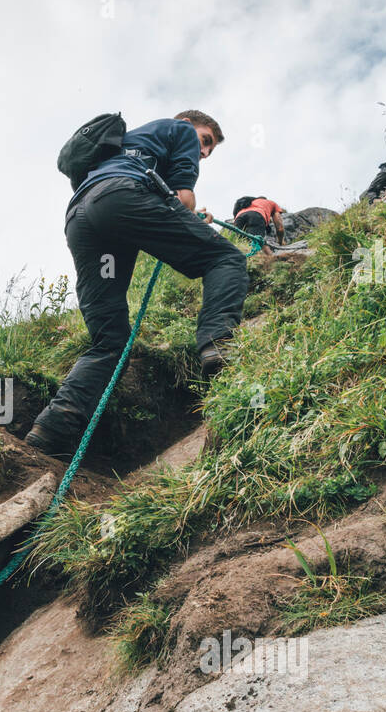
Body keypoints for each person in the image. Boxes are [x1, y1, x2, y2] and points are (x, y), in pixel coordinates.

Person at [25, 110, 248, 457]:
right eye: (206, 142)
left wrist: (176, 213)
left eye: (208, 150)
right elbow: (185, 199)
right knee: (226, 259)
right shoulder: (180, 130)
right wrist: (191, 214)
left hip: (83, 218)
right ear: (190, 126)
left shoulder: (127, 145)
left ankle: (51, 431)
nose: (203, 152)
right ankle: (219, 347)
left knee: (110, 342)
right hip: (122, 200)